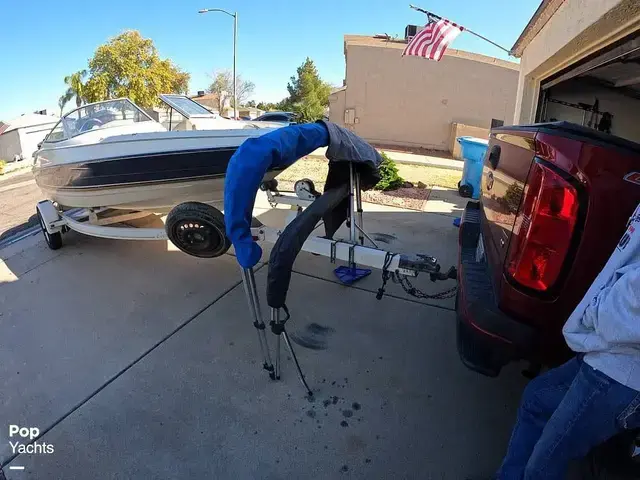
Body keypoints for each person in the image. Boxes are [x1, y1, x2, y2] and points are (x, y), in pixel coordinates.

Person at [496, 202, 640, 480]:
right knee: (537, 399)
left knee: (543, 466)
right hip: (605, 352)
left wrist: (597, 311)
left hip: (620, 371)